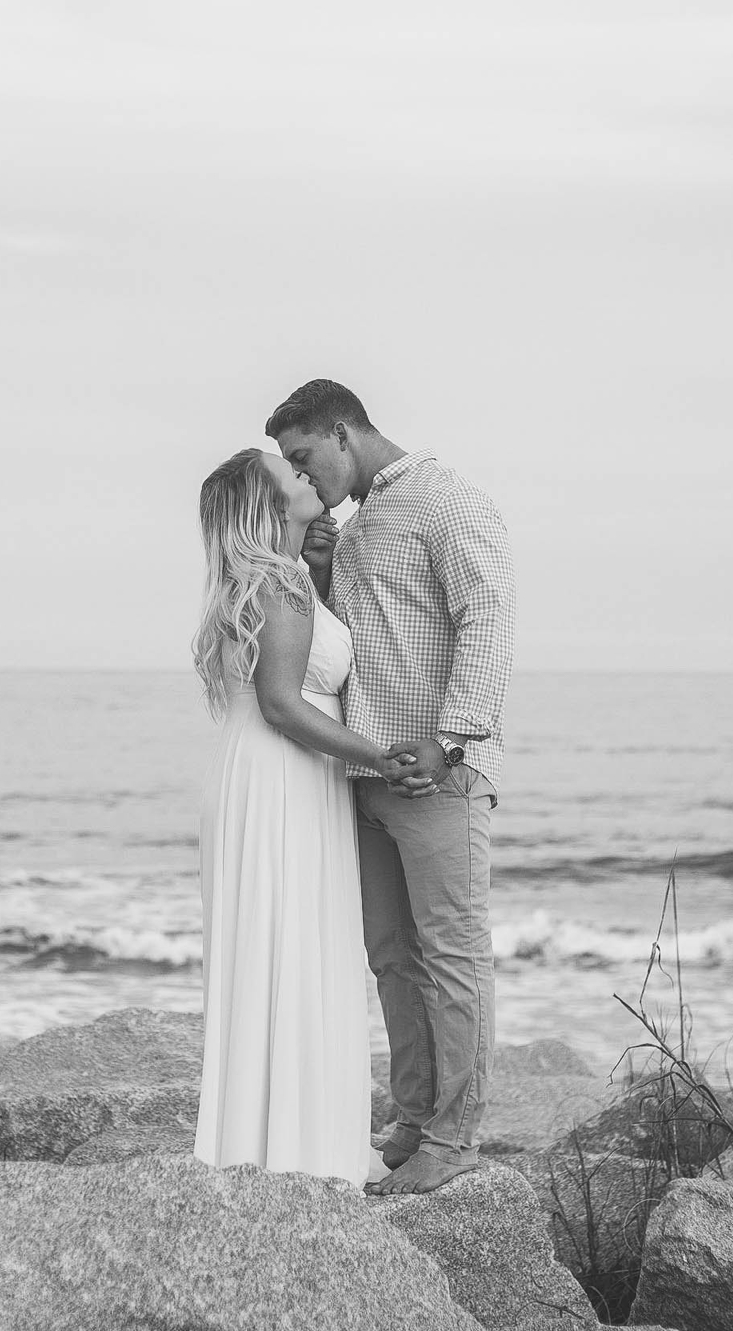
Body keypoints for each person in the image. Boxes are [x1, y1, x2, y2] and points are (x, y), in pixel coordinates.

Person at [268, 379, 517, 1196]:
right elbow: (351, 640)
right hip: (368, 773)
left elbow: (489, 616)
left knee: (453, 958)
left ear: (343, 433)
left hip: (440, 774)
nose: (302, 477)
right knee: (391, 959)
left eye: (304, 457)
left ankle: (456, 1137)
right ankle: (416, 1118)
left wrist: (451, 739)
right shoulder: (355, 522)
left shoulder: (448, 502)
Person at [190, 448, 429, 1186]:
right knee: (292, 943)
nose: (304, 476)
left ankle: (271, 1136)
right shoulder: (278, 583)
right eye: (290, 475)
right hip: (286, 776)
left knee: (283, 942)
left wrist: (319, 573)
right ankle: (298, 1148)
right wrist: (380, 756)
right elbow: (286, 705)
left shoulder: (278, 580)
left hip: (266, 775)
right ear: (270, 505)